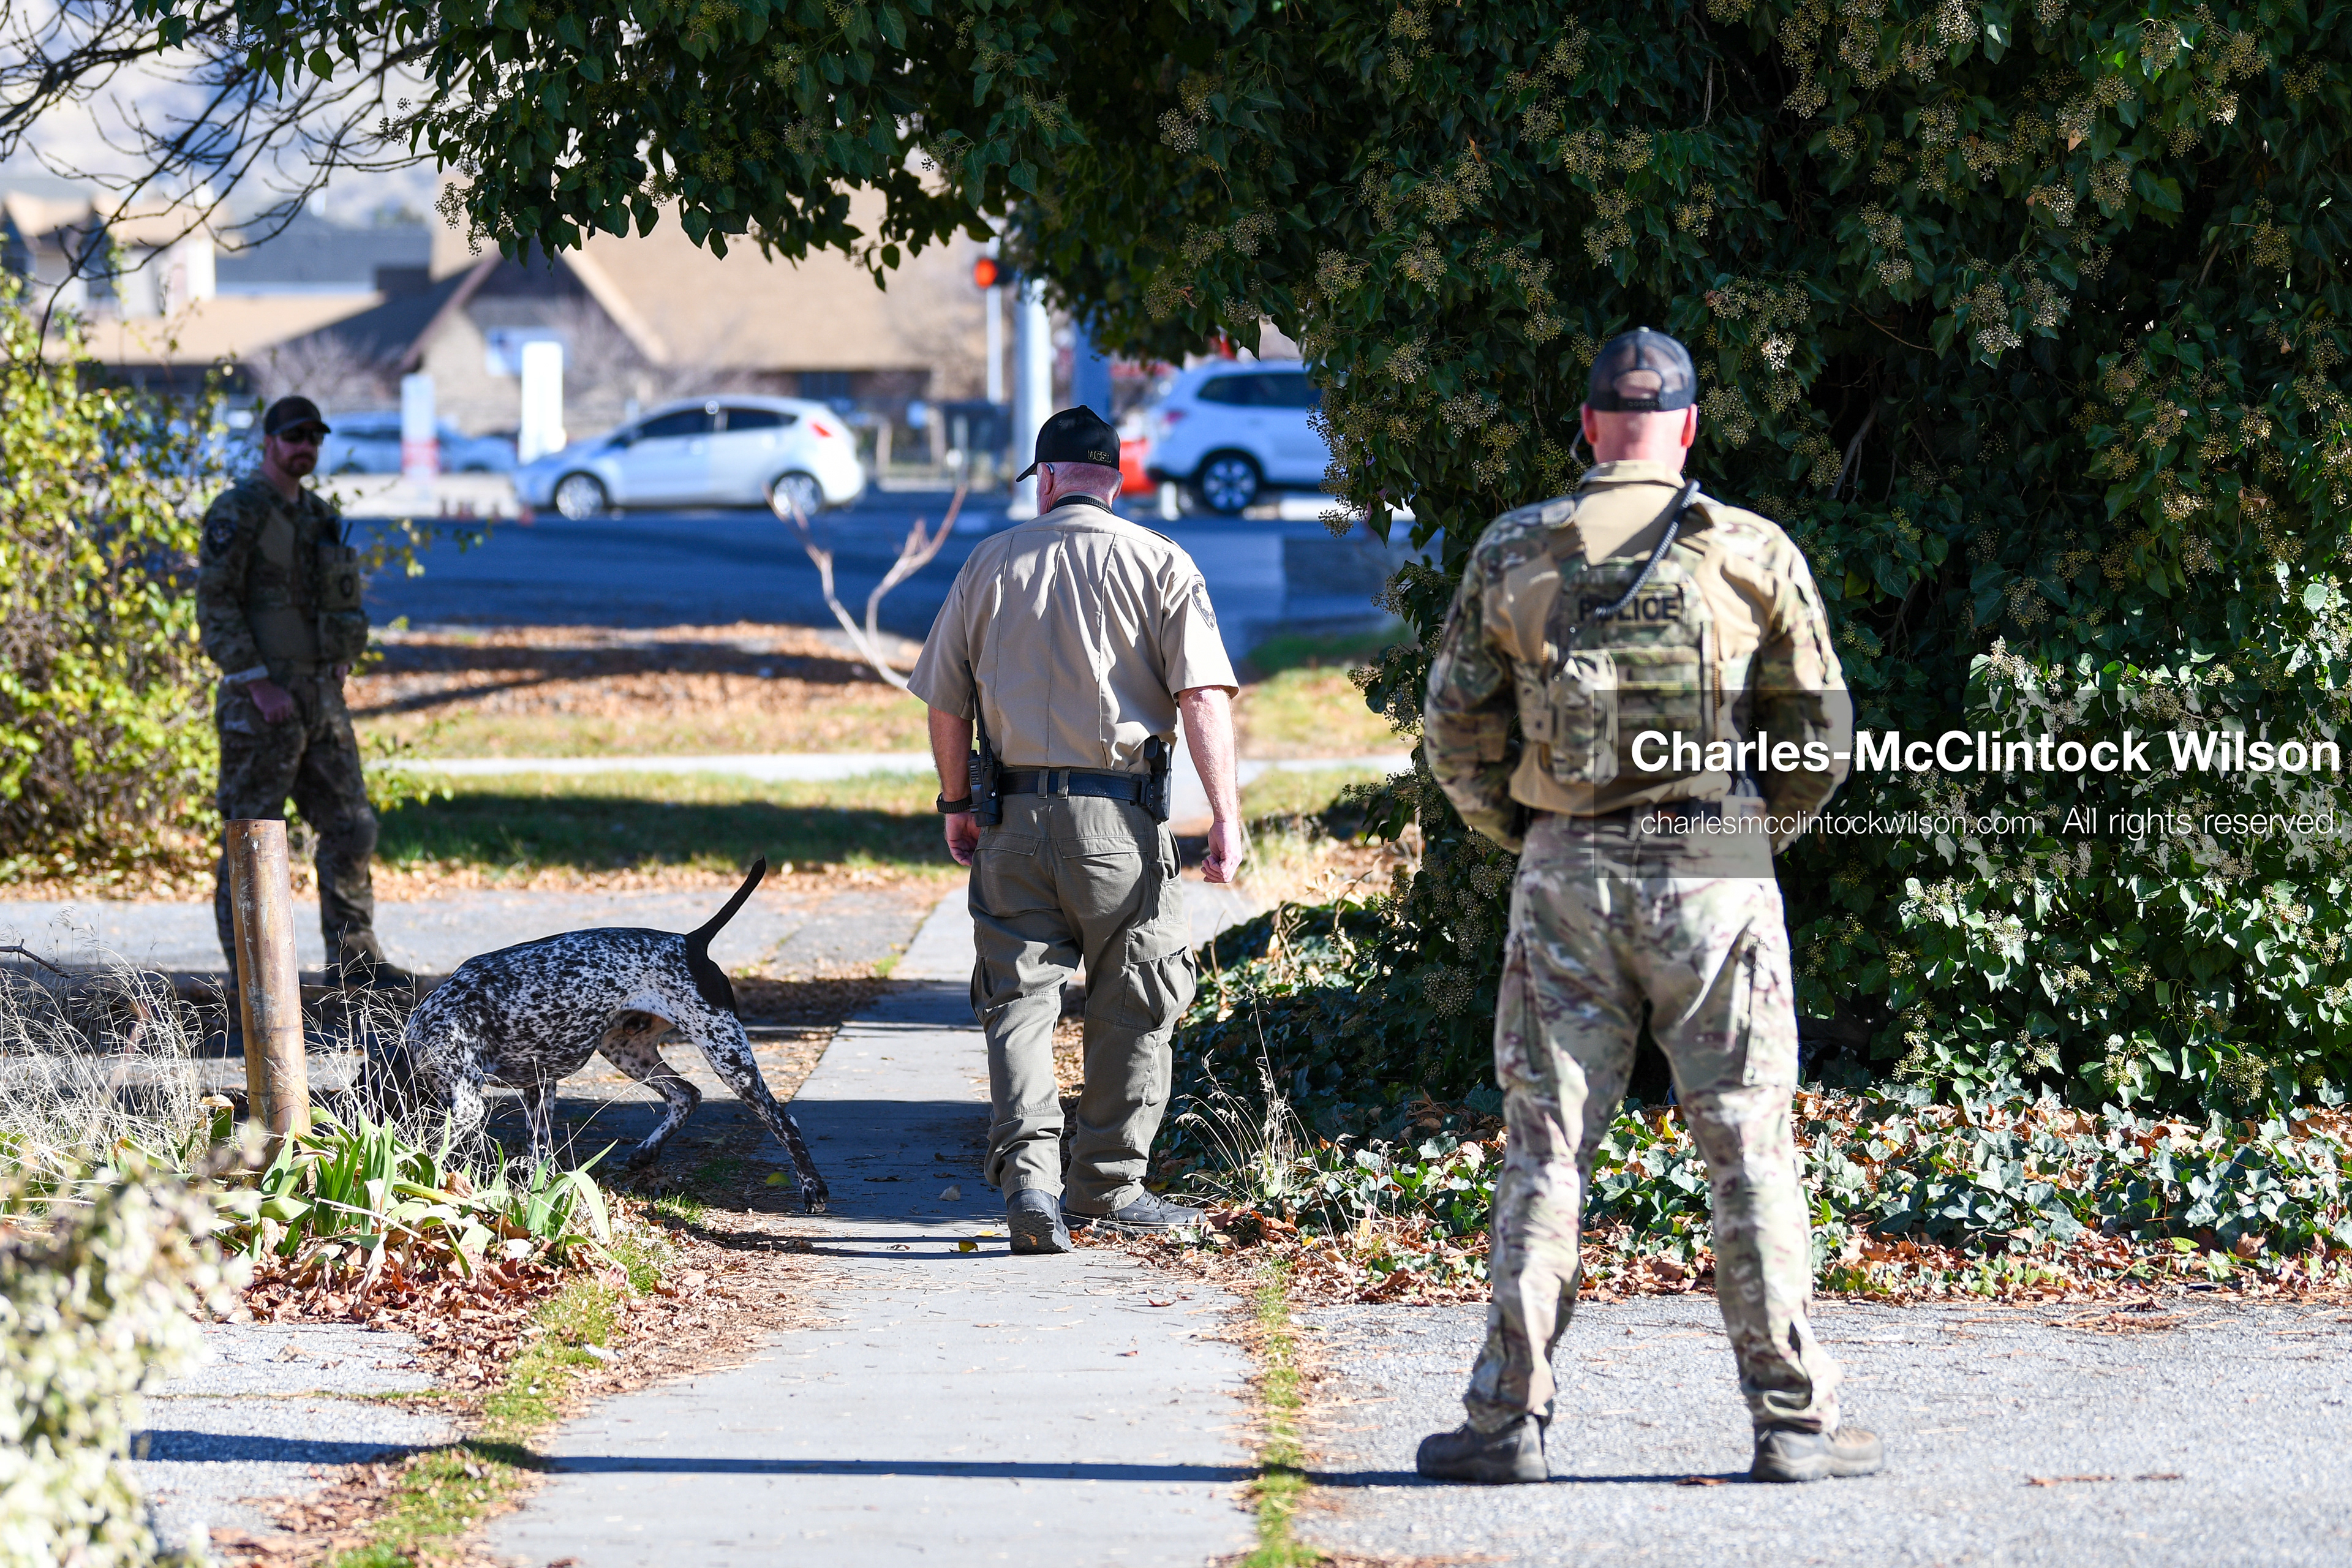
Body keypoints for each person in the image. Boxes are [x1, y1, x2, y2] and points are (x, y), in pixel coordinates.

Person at [1416, 327, 1876, 1485]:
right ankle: (1792, 1425)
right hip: (1714, 858)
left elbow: (1456, 735)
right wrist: (1752, 833)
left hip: (1568, 869)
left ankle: (1506, 1421)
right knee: (1749, 1144)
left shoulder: (1518, 546)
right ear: (1688, 430)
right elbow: (1820, 739)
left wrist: (1531, 833)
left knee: (1547, 1145)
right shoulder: (1749, 549)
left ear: (1586, 427)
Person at [909, 405, 1246, 1254]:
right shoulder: (1162, 562)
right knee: (1135, 998)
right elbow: (1203, 697)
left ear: (1047, 480)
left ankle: (1029, 1179)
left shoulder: (988, 564)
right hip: (1119, 824)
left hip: (1011, 817)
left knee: (1018, 1003)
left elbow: (946, 700)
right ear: (1117, 479)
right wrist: (1226, 822)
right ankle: (1106, 1186)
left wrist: (957, 804)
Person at [197, 395, 408, 988]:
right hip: (259, 702)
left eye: (313, 438)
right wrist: (255, 682)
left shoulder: (318, 515)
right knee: (254, 838)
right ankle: (255, 976)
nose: (304, 448)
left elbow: (341, 600)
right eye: (294, 437)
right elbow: (216, 606)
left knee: (352, 826)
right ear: (269, 443)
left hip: (320, 699)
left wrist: (341, 657)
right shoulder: (238, 512)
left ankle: (356, 962)